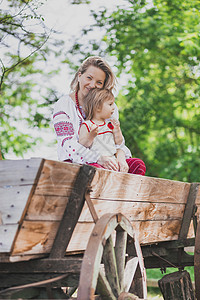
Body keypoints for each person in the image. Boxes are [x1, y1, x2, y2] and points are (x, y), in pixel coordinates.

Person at [53, 56, 146, 175]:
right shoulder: (64, 105)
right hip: (76, 164)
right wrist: (98, 158)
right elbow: (68, 145)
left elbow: (117, 142)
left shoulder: (109, 106)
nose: (92, 85)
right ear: (79, 76)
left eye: (99, 82)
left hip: (109, 160)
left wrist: (121, 159)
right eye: (89, 78)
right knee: (95, 171)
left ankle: (127, 192)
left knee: (137, 165)